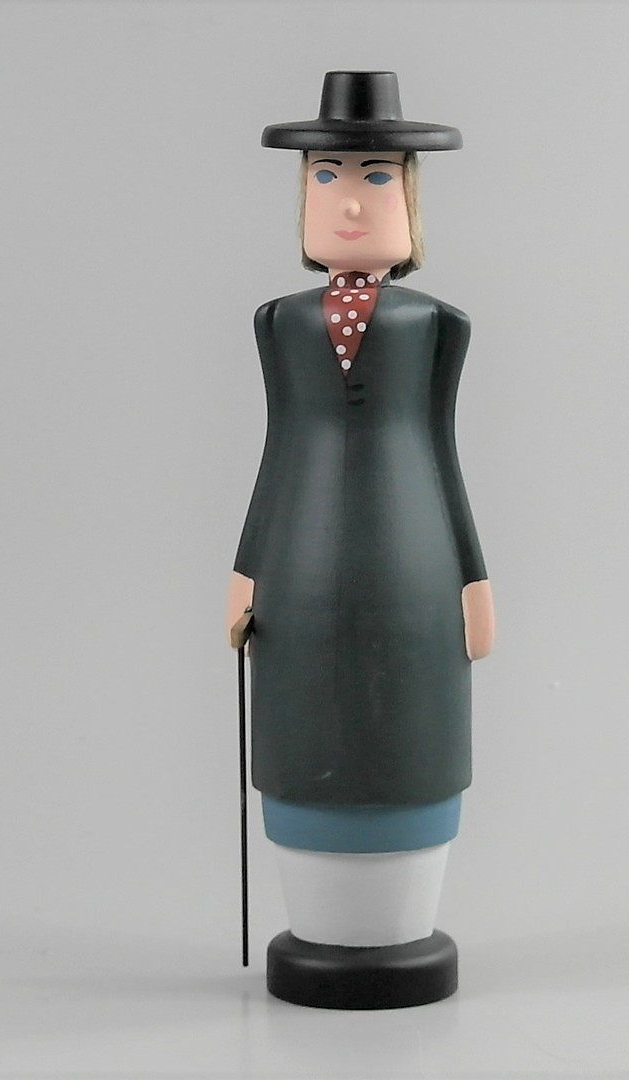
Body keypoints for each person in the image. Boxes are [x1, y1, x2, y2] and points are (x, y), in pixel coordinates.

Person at [226, 71, 494, 1009]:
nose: (348, 201)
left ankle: (398, 928)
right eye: (326, 176)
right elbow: (278, 447)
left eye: (377, 178)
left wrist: (472, 579)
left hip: (417, 564)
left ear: (411, 199)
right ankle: (321, 923)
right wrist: (246, 571)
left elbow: (443, 452)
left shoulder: (435, 327)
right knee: (303, 737)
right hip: (296, 569)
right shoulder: (279, 324)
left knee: (412, 738)